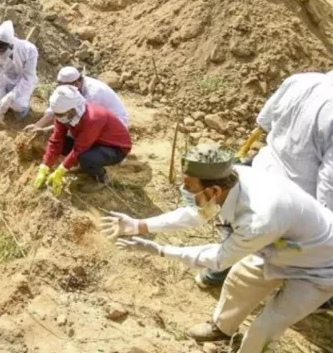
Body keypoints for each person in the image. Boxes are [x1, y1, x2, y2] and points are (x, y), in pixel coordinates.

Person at [102, 144, 333, 353]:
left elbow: (218, 259)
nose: (184, 190)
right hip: (279, 246)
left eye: (188, 186)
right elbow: (197, 213)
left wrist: (160, 250)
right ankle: (221, 329)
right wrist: (139, 225)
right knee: (239, 281)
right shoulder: (231, 180)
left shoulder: (258, 218)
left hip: (320, 264)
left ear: (214, 191)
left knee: (267, 325)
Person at [195, 72, 333, 312]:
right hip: (293, 196)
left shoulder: (301, 80)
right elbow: (328, 181)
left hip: (263, 170)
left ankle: (215, 273)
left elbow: (264, 121)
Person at [33, 85, 131, 194]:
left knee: (86, 157)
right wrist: (45, 166)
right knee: (63, 144)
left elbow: (80, 148)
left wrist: (61, 170)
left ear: (73, 109)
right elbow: (56, 139)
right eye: (57, 114)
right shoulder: (64, 116)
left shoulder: (93, 118)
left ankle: (102, 179)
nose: (59, 117)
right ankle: (85, 167)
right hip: (93, 142)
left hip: (115, 148)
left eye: (61, 114)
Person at [24, 66, 129, 133]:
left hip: (115, 126)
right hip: (99, 120)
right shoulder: (70, 86)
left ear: (77, 83)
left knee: (74, 133)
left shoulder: (93, 93)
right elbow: (57, 106)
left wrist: (45, 130)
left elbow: (80, 119)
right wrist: (37, 125)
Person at [0, 21, 38, 123]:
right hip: (6, 84)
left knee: (18, 103)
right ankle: (4, 107)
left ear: (10, 44)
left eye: (1, 50)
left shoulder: (28, 50)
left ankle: (22, 110)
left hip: (23, 84)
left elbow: (28, 78)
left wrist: (11, 96)